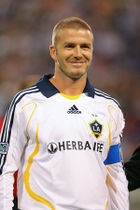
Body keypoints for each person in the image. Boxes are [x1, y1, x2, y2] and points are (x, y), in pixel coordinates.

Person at [0, 16, 129, 210]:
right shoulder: (25, 103)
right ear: (53, 51)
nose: (78, 53)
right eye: (69, 46)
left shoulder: (109, 107)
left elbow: (115, 172)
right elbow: (5, 169)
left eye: (85, 47)